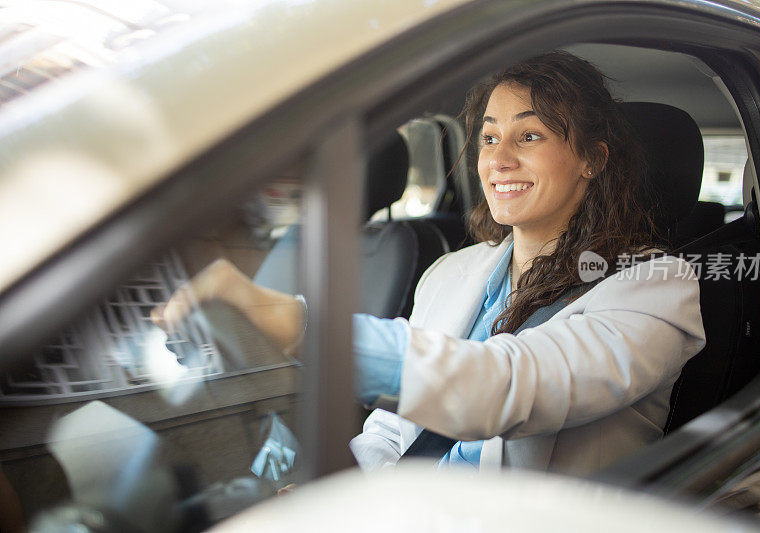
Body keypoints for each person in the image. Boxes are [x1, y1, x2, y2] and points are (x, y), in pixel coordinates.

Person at [153, 51, 705, 476]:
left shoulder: (655, 287)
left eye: (529, 136)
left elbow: (508, 386)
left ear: (592, 159)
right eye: (489, 137)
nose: (499, 158)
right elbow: (393, 432)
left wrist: (302, 328)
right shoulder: (452, 272)